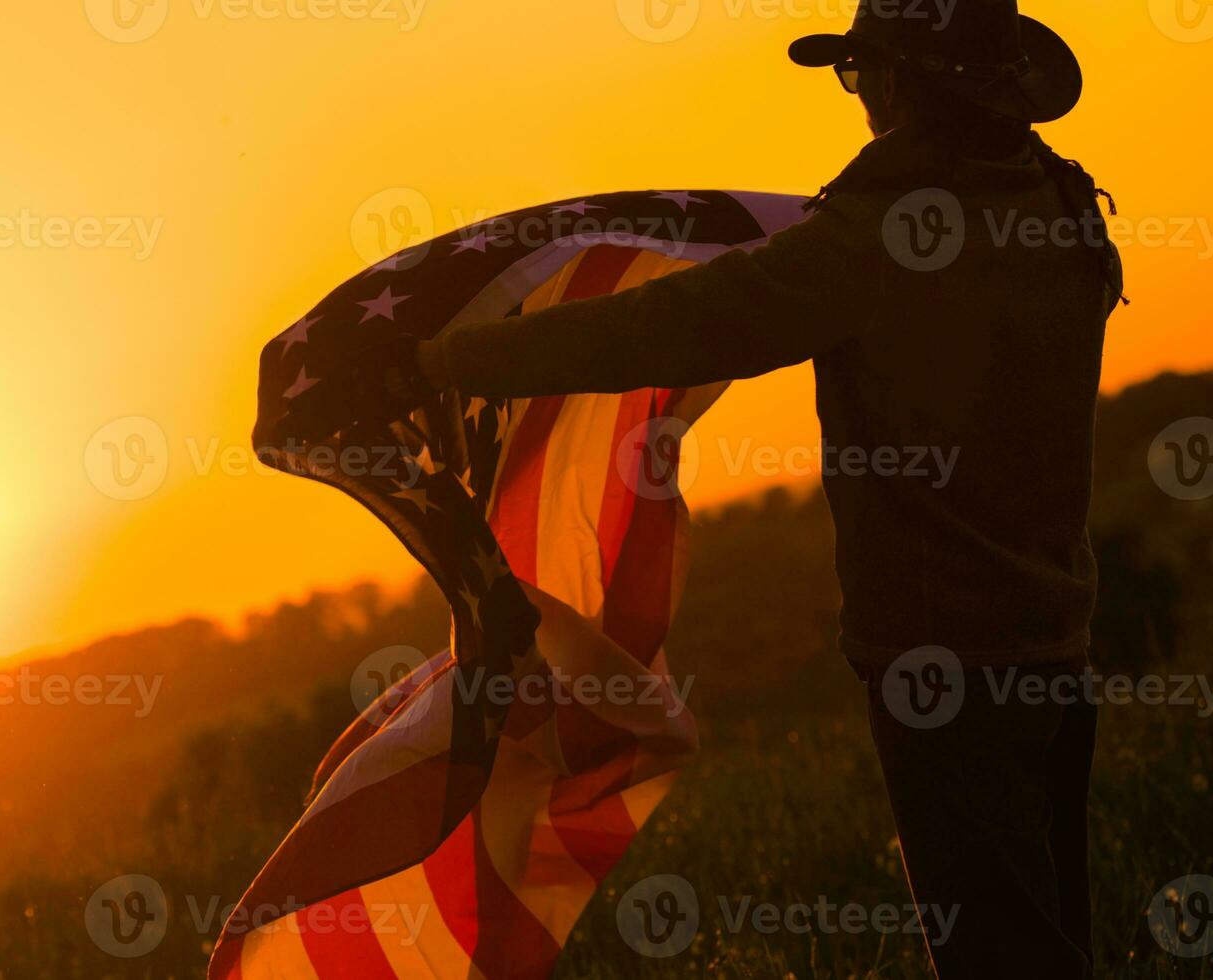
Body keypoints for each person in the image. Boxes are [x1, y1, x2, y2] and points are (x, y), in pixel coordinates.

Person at [337, 1, 1125, 975]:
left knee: (999, 956)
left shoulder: (870, 241)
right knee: (1051, 933)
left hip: (943, 665)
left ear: (910, 84)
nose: (860, 94)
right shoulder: (1064, 209)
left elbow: (669, 326)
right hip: (1058, 640)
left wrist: (446, 359)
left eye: (861, 71)